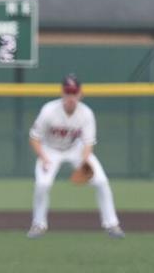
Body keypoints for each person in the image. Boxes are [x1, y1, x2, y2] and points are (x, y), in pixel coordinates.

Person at [27, 74, 124, 239]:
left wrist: (84, 163)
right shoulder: (49, 110)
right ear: (62, 93)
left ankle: (112, 224)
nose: (70, 96)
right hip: (50, 149)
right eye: (67, 92)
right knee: (43, 185)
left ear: (80, 94)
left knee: (101, 181)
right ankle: (38, 225)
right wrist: (43, 157)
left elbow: (88, 143)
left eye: (74, 92)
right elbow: (34, 138)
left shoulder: (86, 113)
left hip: (75, 149)